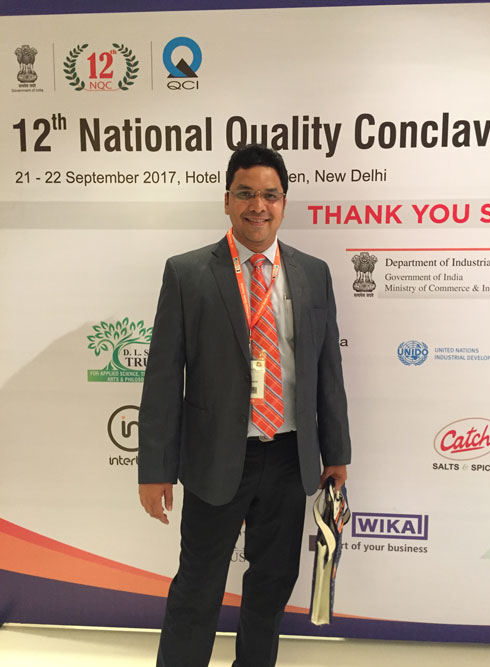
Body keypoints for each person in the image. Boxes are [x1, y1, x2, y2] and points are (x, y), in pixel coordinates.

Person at [138, 144, 351, 667]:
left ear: (284, 203)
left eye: (270, 195)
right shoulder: (188, 273)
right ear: (227, 200)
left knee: (272, 584)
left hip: (289, 456)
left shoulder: (313, 273)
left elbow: (328, 368)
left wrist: (337, 453)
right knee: (198, 586)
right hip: (215, 455)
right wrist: (155, 468)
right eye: (246, 193)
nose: (259, 206)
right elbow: (163, 377)